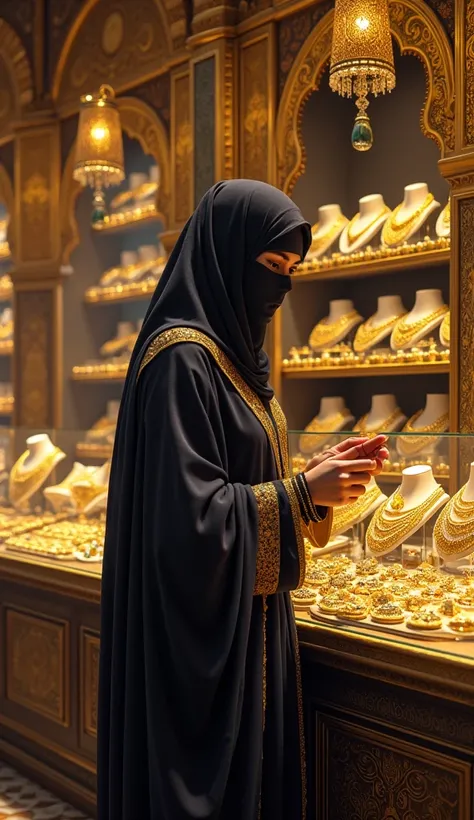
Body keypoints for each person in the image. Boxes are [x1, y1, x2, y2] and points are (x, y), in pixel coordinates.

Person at [97, 179, 388, 820]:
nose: (281, 288)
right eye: (271, 267)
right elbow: (185, 521)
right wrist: (297, 493)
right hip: (199, 643)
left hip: (249, 622)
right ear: (226, 255)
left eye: (293, 271)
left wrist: (313, 479)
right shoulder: (181, 361)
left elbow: (242, 472)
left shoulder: (234, 360)